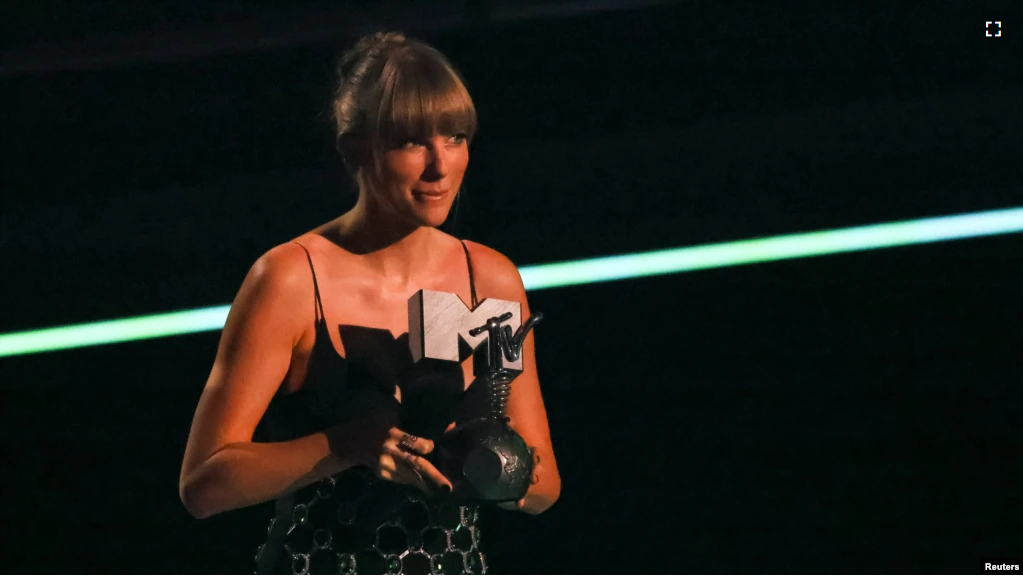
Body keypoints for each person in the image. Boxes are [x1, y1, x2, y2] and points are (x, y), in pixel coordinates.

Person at [178, 31, 561, 575]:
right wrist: (349, 445)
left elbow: (545, 487)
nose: (440, 166)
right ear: (355, 150)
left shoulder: (490, 279)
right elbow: (203, 486)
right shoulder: (289, 279)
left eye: (454, 137)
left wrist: (494, 462)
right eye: (411, 142)